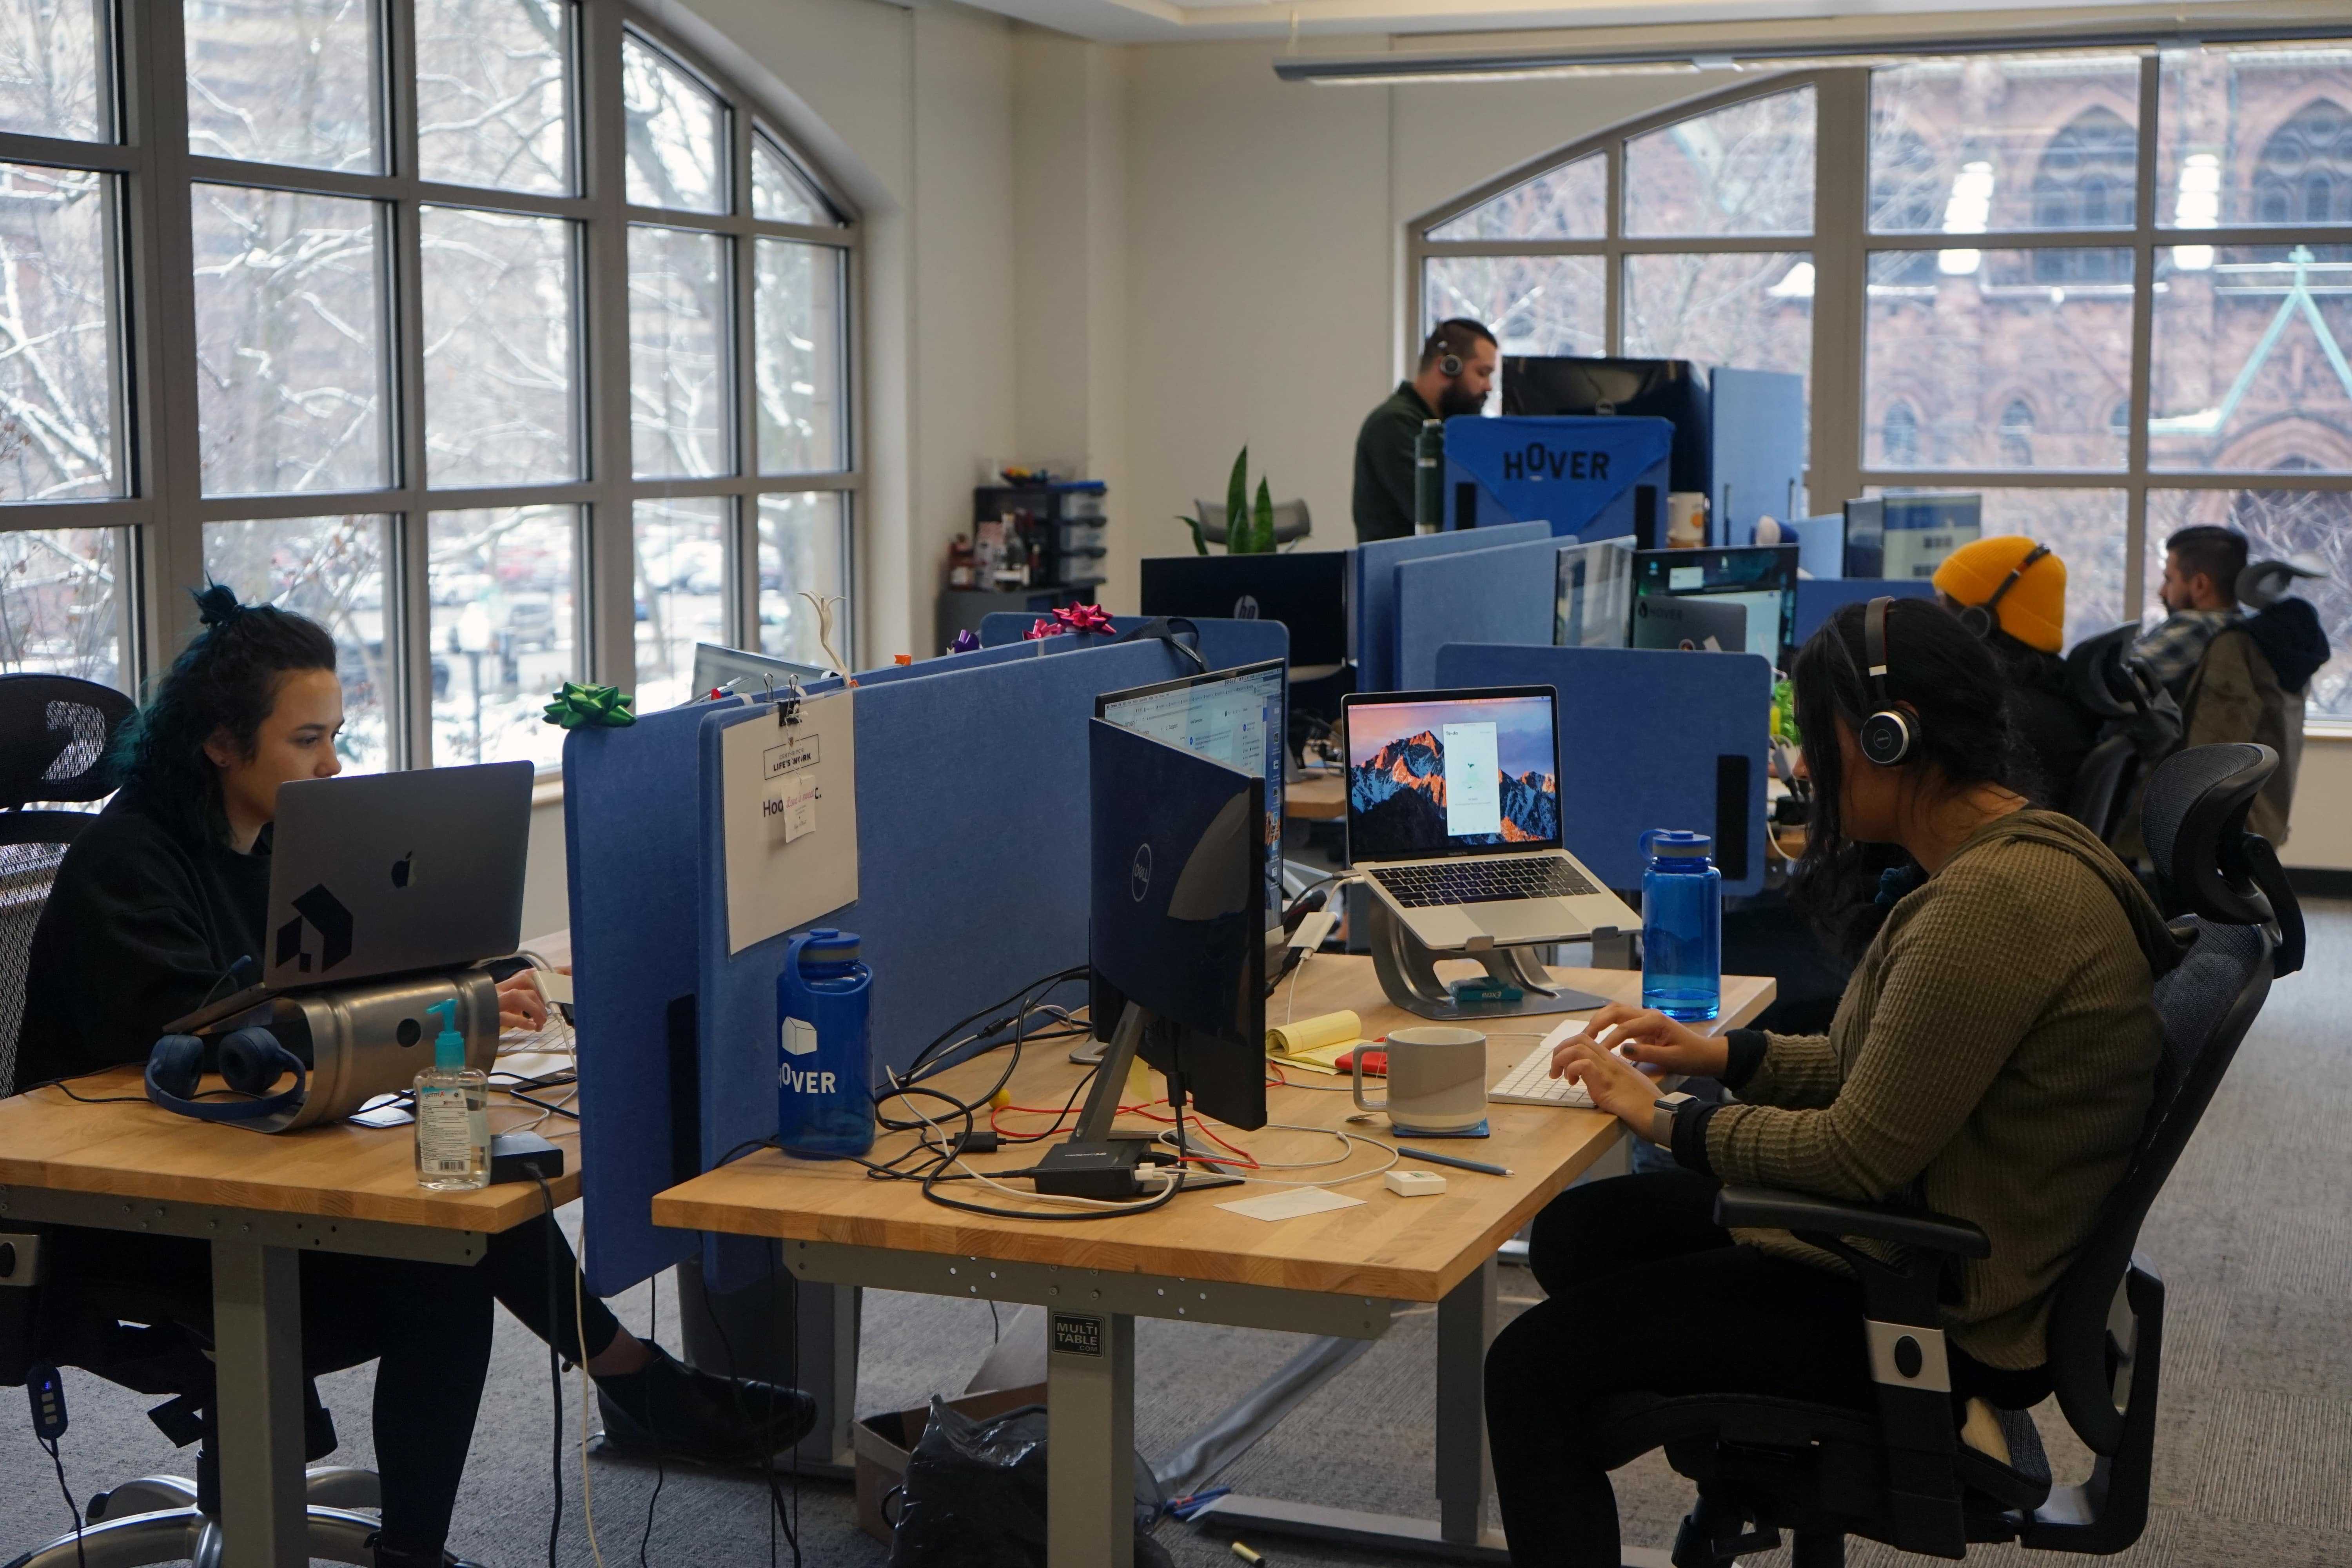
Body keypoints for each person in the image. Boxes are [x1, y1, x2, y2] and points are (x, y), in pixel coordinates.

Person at [14, 586, 815, 1568]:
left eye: (336, 734)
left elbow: (340, 974)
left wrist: (474, 979)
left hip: (262, 1169)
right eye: (307, 739)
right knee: (445, 1257)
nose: (333, 762)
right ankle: (631, 1383)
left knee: (463, 1212)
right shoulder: (127, 863)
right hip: (144, 1219)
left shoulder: (271, 838)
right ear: (222, 743)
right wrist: (435, 1015)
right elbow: (225, 1037)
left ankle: (581, 1421)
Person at [1481, 597, 2175, 1568]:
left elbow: (1855, 1152)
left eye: (1814, 737)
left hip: (1936, 1299)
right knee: (1579, 1233)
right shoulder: (2018, 852)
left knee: (1530, 1369)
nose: (1803, 766)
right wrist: (1722, 1056)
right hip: (1941, 1230)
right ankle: (1729, 1445)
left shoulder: (1991, 907)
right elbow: (1888, 1066)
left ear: (1888, 738)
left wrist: (1670, 1118)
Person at [1930, 535, 2097, 807]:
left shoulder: (2006, 721)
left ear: (1977, 622)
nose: (1936, 620)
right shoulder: (2050, 696)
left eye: (1944, 606)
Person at [1351, 318, 1498, 543]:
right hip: (1398, 573)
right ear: (1448, 367)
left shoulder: (1444, 428)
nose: (1489, 386)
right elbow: (1442, 513)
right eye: (1482, 373)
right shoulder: (1393, 424)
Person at [2132, 524, 2249, 699]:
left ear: (2200, 585)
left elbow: (2121, 682)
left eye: (2169, 580)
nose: (2162, 591)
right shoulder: (2236, 623)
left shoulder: (2199, 627)